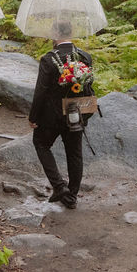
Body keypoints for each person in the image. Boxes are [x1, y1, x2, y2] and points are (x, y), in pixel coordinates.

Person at [29, 21, 93, 209]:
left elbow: (40, 91)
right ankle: (71, 196)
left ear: (56, 34)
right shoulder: (85, 57)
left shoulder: (49, 59)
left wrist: (33, 117)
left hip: (51, 117)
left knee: (41, 144)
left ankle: (59, 186)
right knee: (75, 154)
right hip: (75, 114)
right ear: (71, 32)